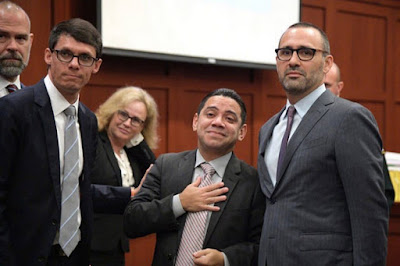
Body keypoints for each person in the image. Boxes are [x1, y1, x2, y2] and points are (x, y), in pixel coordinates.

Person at [0, 18, 132, 265]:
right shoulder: (13, 109)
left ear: (96, 66)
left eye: (84, 58)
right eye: (66, 54)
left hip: (75, 256)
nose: (74, 64)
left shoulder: (89, 120)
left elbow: (79, 189)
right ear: (49, 56)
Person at [257, 22, 388, 265]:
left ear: (327, 63)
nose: (293, 60)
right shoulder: (268, 129)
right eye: (285, 52)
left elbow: (369, 213)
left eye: (305, 52)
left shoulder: (349, 118)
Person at [124, 88, 265, 266]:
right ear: (196, 121)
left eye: (229, 119)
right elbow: (132, 221)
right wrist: (179, 203)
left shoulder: (253, 182)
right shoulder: (166, 165)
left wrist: (225, 259)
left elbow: (262, 245)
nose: (218, 122)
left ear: (242, 131)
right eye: (211, 114)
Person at [90, 86, 159, 265]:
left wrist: (137, 139)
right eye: (123, 114)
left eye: (136, 120)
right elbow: (81, 190)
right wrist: (130, 195)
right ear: (112, 111)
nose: (127, 123)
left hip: (116, 246)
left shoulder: (132, 154)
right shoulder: (92, 142)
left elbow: (156, 171)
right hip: (88, 245)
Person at [324, 62, 395, 209]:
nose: (321, 92)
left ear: (339, 88)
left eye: (326, 86)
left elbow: (382, 192)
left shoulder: (355, 122)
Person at [0, 0, 33, 97]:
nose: (13, 47)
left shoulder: (35, 103)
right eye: (1, 36)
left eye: (20, 38)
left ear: (30, 42)